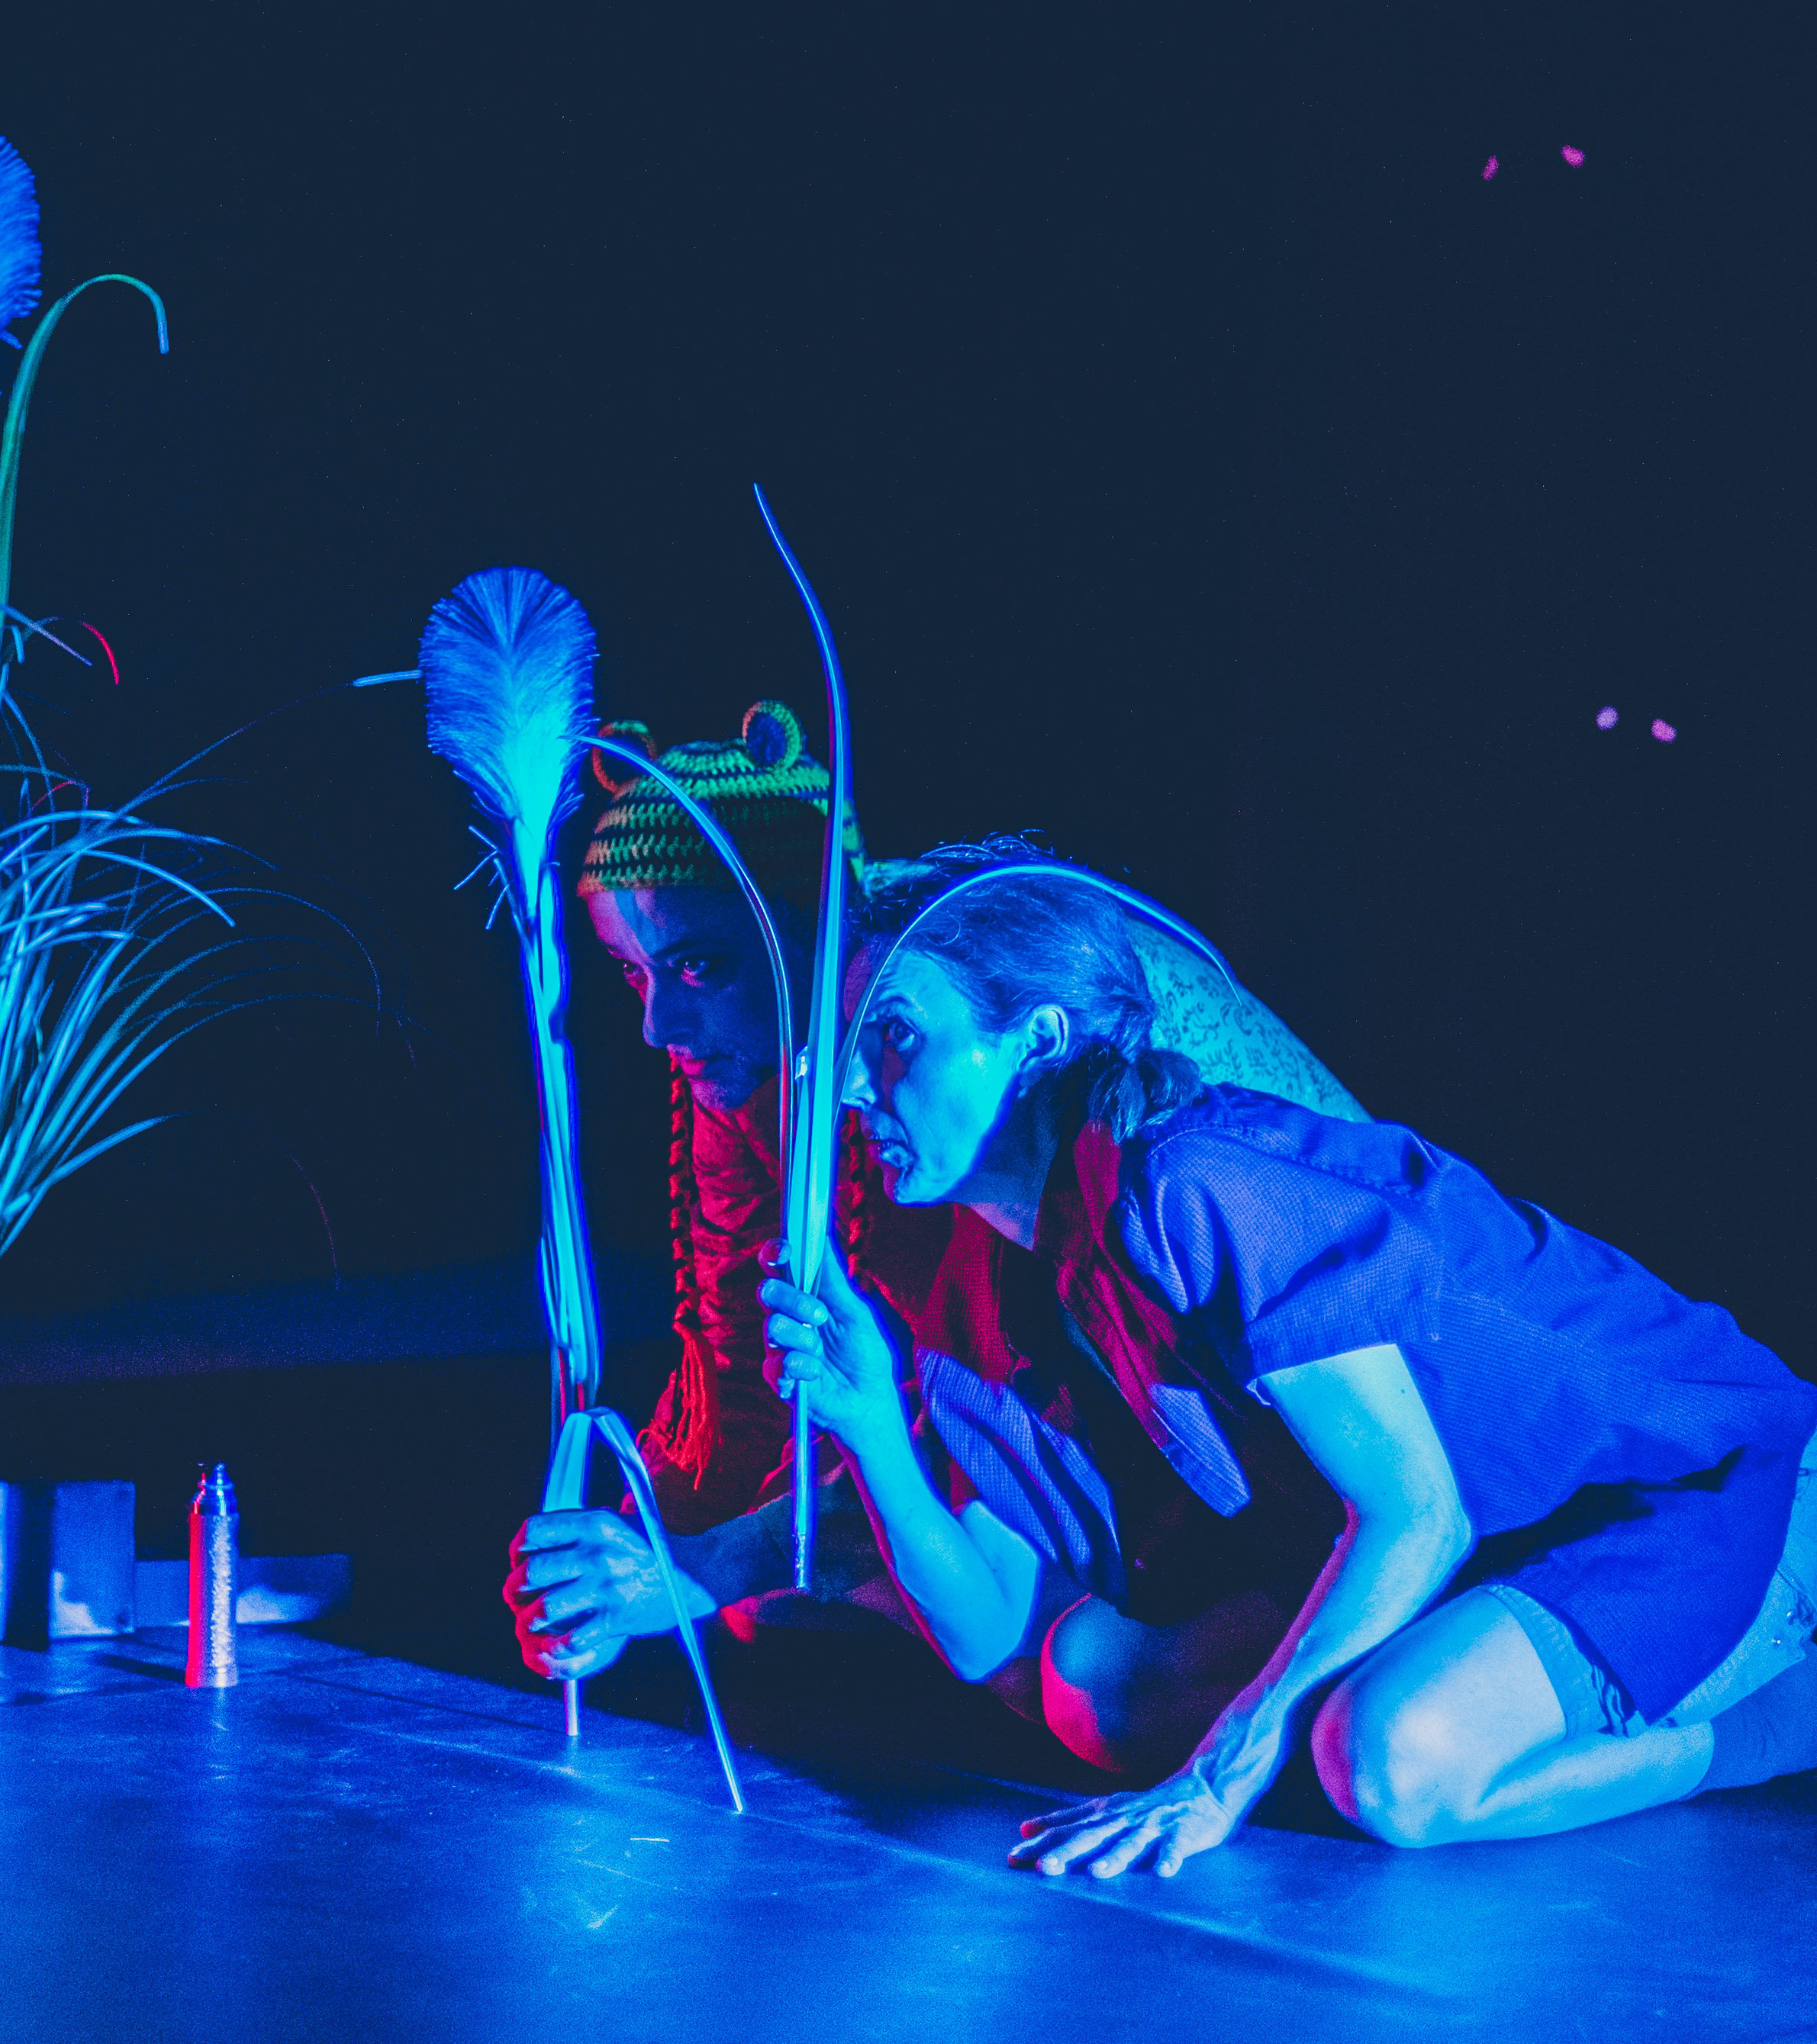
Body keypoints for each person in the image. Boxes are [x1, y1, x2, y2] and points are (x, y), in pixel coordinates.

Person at [757, 839, 1817, 1877]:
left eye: (894, 1035)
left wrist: (1225, 1771)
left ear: (1038, 1035)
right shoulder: (984, 1256)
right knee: (1107, 1690)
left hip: (1717, 1475)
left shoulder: (1194, 1184)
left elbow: (1421, 1513)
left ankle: (1767, 1723)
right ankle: (1513, 1679)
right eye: (846, 1047)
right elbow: (994, 1631)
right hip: (1495, 1525)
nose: (852, 1087)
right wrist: (867, 1425)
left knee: (1394, 1761)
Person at [507, 713, 1365, 1675]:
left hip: (1226, 1413)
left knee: (1094, 1686)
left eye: (701, 965)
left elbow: (972, 1358)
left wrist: (704, 1562)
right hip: (1033, 1392)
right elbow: (743, 1344)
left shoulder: (958, 1078)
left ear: (808, 926)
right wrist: (651, 1531)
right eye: (631, 973)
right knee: (772, 1605)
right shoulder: (751, 1055)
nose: (657, 1024)